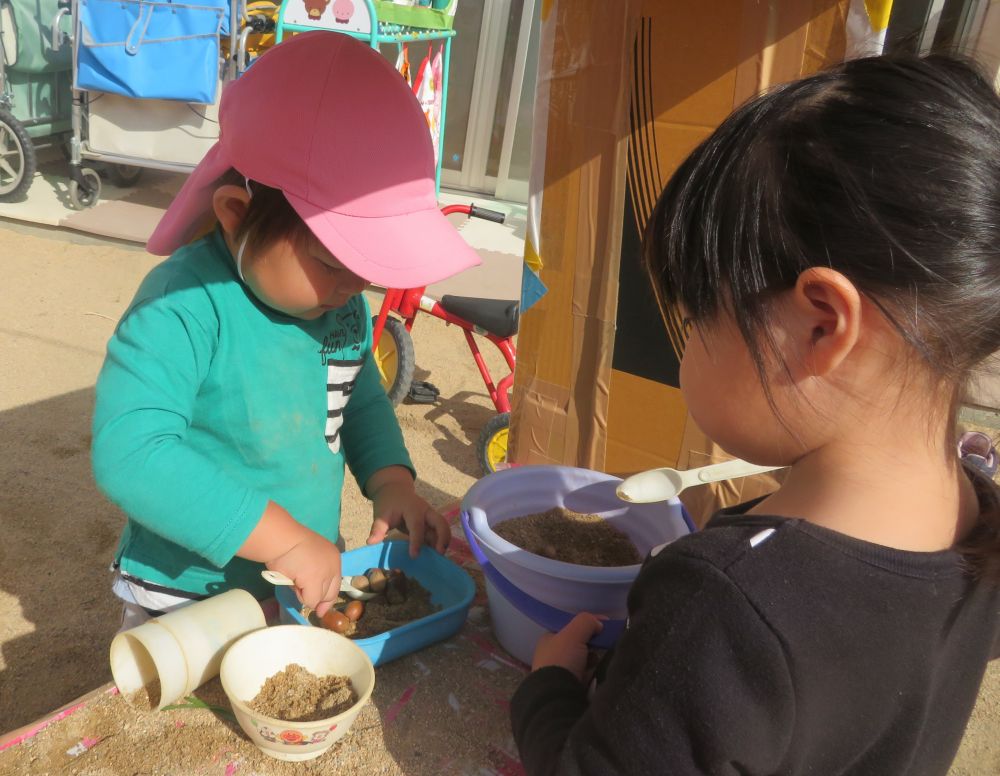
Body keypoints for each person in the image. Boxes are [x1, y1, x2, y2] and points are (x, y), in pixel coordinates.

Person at [510, 54, 1000, 775]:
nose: (688, 348)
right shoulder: (977, 523)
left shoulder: (719, 607)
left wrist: (549, 693)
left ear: (820, 326)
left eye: (699, 317)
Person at [91, 31, 481, 629]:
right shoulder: (187, 304)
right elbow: (133, 453)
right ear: (236, 215)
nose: (353, 289)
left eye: (367, 272)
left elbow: (356, 398)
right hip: (188, 594)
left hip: (302, 579)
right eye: (332, 264)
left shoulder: (338, 303)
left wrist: (392, 481)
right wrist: (282, 539)